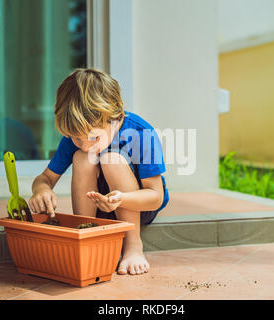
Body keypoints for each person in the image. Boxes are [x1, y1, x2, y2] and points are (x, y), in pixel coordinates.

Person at [29, 68, 169, 275]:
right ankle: (85, 234)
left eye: (94, 138)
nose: (85, 145)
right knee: (82, 158)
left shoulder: (141, 132)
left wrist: (123, 199)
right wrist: (41, 190)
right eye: (77, 139)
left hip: (137, 206)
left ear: (115, 117)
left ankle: (132, 246)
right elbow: (45, 178)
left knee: (111, 159)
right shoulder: (77, 135)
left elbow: (155, 197)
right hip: (100, 207)